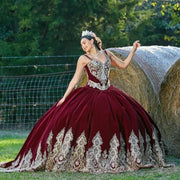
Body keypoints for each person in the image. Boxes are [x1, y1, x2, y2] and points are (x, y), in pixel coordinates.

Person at [0, 30, 167, 173]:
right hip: (90, 93)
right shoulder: (83, 59)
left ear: (92, 41)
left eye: (85, 43)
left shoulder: (107, 54)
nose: (84, 46)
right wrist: (65, 97)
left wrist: (133, 50)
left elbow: (123, 65)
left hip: (109, 92)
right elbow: (74, 80)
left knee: (123, 117)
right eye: (82, 44)